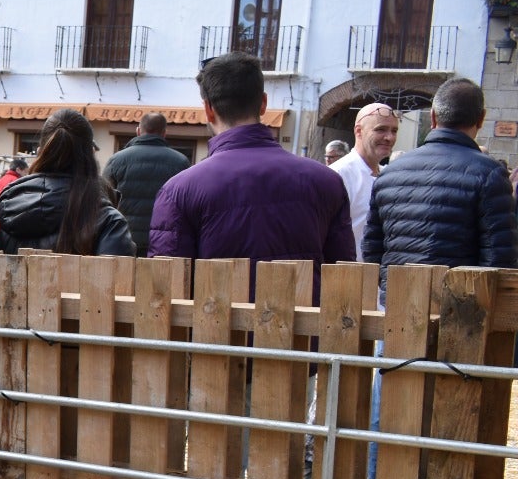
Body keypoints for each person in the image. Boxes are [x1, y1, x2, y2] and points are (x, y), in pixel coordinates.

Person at [149, 51, 352, 298]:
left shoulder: (179, 190)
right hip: (303, 333)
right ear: (263, 103)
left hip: (214, 332)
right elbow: (343, 275)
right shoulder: (326, 181)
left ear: (208, 109)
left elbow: (167, 287)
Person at [364, 78, 517, 299]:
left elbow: (372, 249)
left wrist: (388, 287)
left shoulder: (389, 173)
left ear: (433, 116)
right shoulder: (489, 173)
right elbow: (499, 257)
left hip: (398, 305)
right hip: (461, 309)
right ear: (481, 118)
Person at [0, 108, 135, 257]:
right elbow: (118, 277)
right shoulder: (107, 220)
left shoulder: (12, 207)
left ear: (39, 152)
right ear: (91, 153)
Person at [102, 112, 191, 256]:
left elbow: (104, 202)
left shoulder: (116, 160)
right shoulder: (181, 162)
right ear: (164, 133)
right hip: (164, 244)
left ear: (138, 131)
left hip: (123, 239)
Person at [329, 102, 399, 259]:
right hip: (346, 277)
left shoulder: (389, 175)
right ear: (359, 131)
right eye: (380, 129)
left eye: (394, 131)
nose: (389, 137)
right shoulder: (338, 175)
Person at [0, 157, 27, 241]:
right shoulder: (15, 181)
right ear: (18, 169)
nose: (27, 174)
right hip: (4, 225)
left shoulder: (1, 180)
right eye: (26, 171)